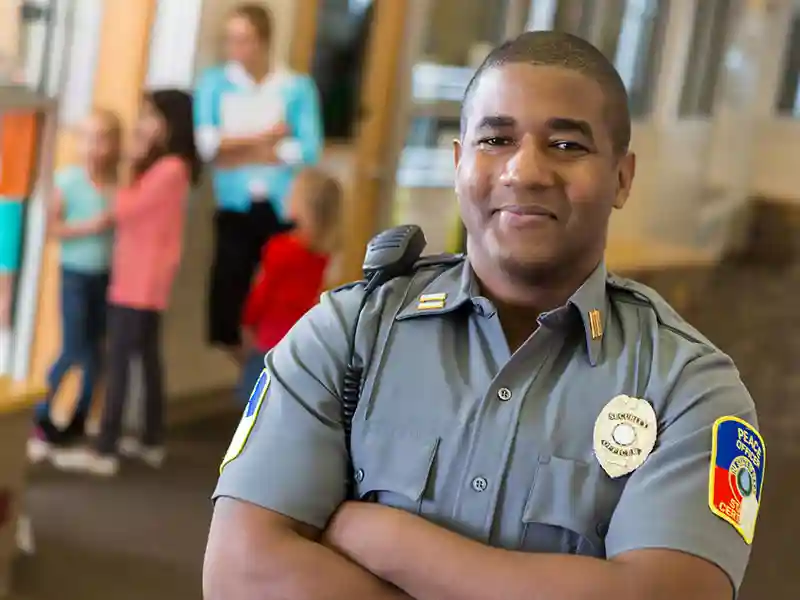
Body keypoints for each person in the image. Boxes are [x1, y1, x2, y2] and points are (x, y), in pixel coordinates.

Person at [203, 32, 764, 600]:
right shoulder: (348, 333)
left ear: (622, 177)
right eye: (496, 138)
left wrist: (388, 539)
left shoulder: (691, 390)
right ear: (458, 162)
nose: (525, 171)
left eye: (567, 146)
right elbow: (241, 573)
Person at [54, 90, 202, 476]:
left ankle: (105, 448)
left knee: (120, 359)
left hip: (138, 280)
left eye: (151, 117)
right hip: (145, 279)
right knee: (146, 358)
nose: (143, 125)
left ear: (170, 123)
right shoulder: (174, 168)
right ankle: (150, 439)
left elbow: (123, 208)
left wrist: (133, 158)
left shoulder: (168, 169)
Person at [194, 2, 323, 363]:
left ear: (265, 41)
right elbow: (208, 146)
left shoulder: (296, 87)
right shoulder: (215, 84)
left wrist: (235, 147)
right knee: (227, 310)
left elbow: (308, 149)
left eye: (245, 40)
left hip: (281, 210)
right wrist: (267, 138)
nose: (237, 50)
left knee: (277, 307)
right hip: (235, 209)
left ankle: (265, 385)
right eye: (231, 41)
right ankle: (250, 376)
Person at [28, 108, 120, 459]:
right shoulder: (67, 181)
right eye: (89, 138)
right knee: (73, 348)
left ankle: (79, 419)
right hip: (75, 274)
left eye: (102, 138)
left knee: (96, 352)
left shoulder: (116, 184)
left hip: (106, 277)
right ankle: (40, 414)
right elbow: (53, 230)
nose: (95, 146)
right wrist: (92, 226)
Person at [238, 167, 342, 404]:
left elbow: (262, 294)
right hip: (300, 343)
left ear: (304, 205)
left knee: (254, 408)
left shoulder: (280, 248)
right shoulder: (323, 253)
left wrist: (247, 323)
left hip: (269, 342)